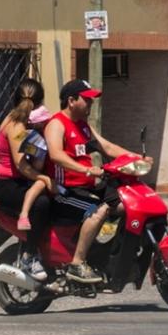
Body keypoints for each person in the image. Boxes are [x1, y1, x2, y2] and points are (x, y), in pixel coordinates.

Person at [43, 79, 153, 284]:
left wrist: (137, 159)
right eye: (87, 100)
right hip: (65, 191)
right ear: (71, 101)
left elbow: (107, 147)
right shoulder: (56, 124)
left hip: (90, 185)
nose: (91, 105)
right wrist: (86, 169)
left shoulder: (83, 126)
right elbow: (56, 155)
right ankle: (77, 263)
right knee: (100, 210)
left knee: (129, 206)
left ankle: (114, 258)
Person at [0, 78, 54, 281]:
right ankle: (29, 255)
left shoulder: (27, 124)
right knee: (42, 203)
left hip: (21, 182)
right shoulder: (15, 125)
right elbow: (21, 165)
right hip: (8, 185)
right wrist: (43, 177)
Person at [16, 105, 52, 231]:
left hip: (32, 167)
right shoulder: (36, 137)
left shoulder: (26, 134)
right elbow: (36, 165)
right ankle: (24, 214)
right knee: (41, 183)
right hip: (32, 172)